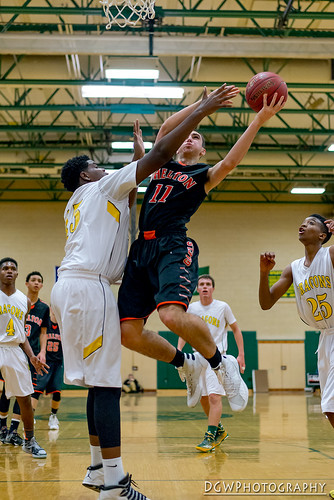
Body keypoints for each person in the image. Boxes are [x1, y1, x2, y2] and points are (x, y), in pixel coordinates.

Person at [50, 86, 236, 500]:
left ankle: (98, 471)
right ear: (85, 175)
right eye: (97, 166)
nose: (104, 169)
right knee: (108, 387)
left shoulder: (79, 201)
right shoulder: (100, 187)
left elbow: (137, 188)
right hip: (90, 289)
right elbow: (158, 157)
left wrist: (139, 157)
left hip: (68, 288)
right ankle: (115, 484)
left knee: (96, 384)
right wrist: (201, 108)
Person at [118, 93, 285, 410]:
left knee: (170, 315)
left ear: (202, 150)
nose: (188, 138)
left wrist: (259, 120)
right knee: (127, 332)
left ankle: (222, 364)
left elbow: (231, 162)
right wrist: (200, 106)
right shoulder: (162, 161)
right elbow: (169, 125)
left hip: (173, 243)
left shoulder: (202, 175)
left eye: (195, 136)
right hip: (142, 248)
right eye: (186, 135)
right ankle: (185, 363)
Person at [259, 214, 334, 429]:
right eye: (303, 222)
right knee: (328, 408)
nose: (303, 224)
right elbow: (266, 303)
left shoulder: (330, 254)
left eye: (311, 223)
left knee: (331, 406)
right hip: (325, 338)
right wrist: (264, 273)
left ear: (322, 235)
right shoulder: (293, 268)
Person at [178, 274, 246, 452]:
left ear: (213, 289)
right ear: (198, 289)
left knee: (215, 397)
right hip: (197, 358)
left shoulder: (223, 307)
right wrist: (179, 354)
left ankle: (209, 437)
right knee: (204, 398)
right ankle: (220, 430)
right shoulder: (192, 308)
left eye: (208, 284)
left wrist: (241, 355)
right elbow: (184, 331)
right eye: (202, 284)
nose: (205, 287)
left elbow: (236, 329)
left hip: (217, 357)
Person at [0, 257, 48, 458]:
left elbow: (23, 335)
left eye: (13, 268)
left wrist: (32, 356)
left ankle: (29, 440)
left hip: (14, 350)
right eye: (5, 268)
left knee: (25, 398)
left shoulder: (24, 301)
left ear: (18, 274)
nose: (9, 271)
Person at [31, 308, 63, 431]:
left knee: (57, 391)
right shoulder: (45, 324)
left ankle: (53, 416)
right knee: (37, 390)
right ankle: (31, 416)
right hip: (45, 361)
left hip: (57, 363)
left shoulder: (63, 326)